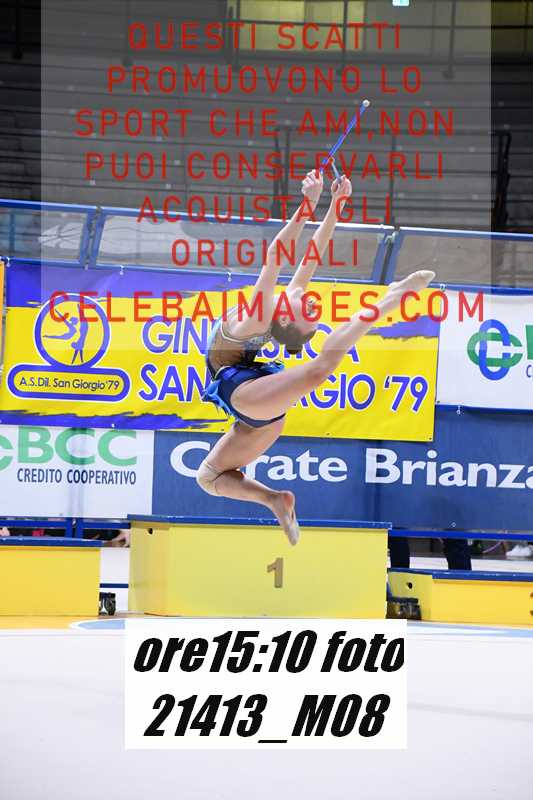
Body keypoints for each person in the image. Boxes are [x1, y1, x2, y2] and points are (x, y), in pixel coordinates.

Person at [197, 170, 434, 545]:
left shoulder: (261, 314)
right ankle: (275, 500)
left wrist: (312, 203)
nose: (311, 301)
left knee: (319, 370)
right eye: (311, 308)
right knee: (208, 477)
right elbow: (312, 253)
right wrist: (334, 204)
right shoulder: (273, 308)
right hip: (254, 398)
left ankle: (391, 298)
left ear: (285, 319)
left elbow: (278, 255)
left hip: (246, 392)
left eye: (308, 310)